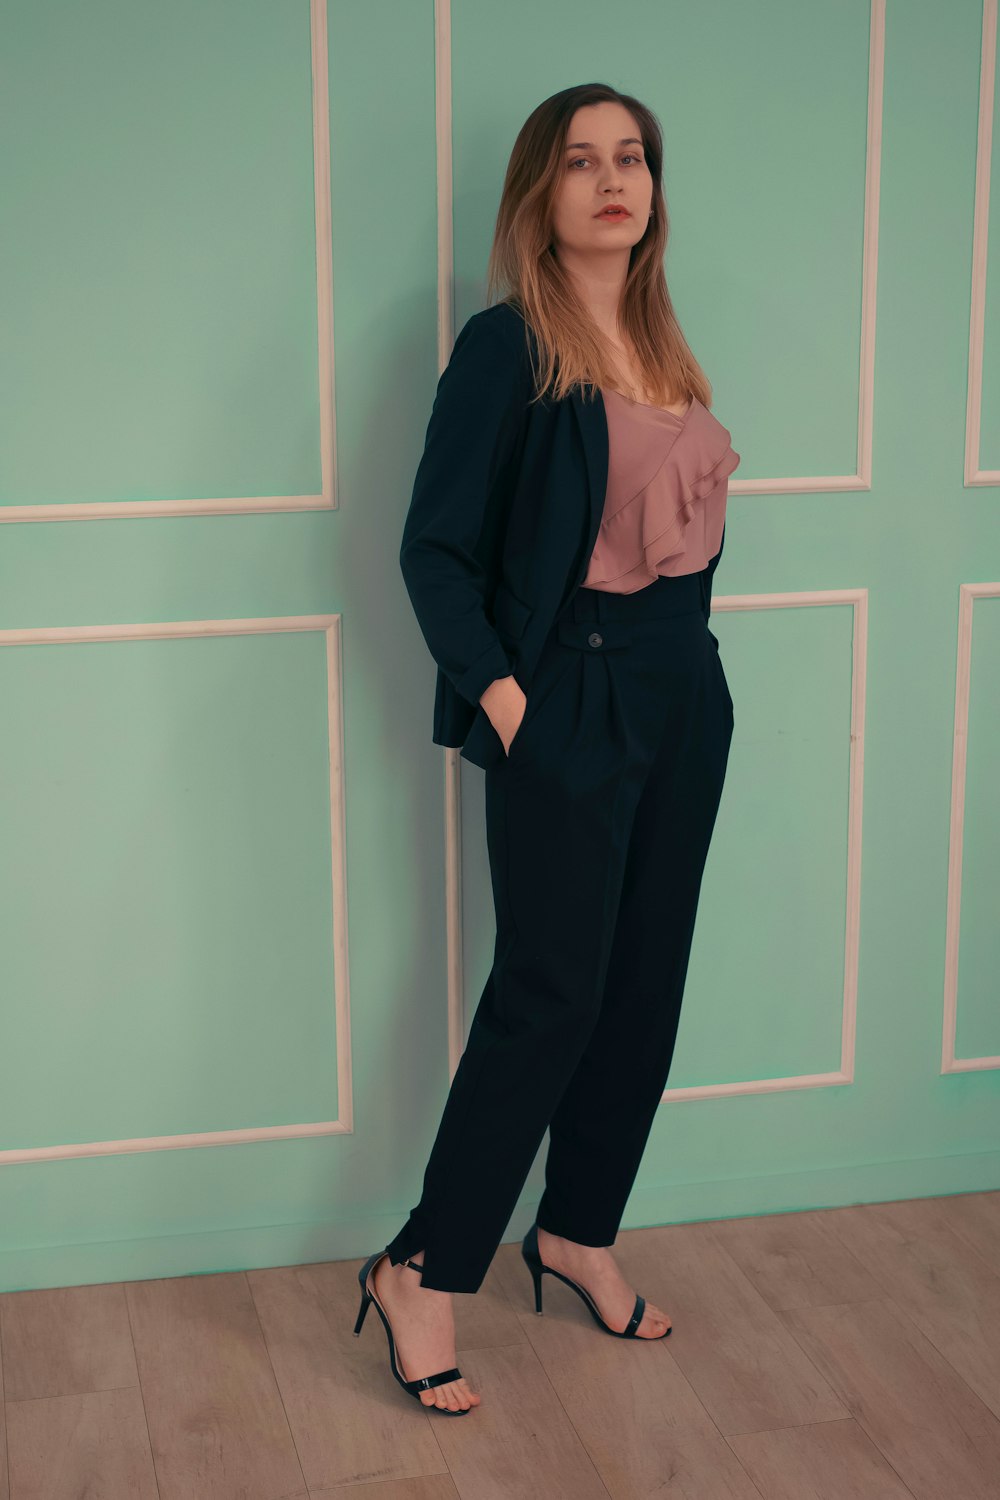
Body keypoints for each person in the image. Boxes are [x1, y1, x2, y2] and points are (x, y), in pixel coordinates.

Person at [353, 82, 739, 1416]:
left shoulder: (662, 344)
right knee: (550, 995)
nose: (610, 179)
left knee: (644, 981)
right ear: (541, 193)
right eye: (580, 161)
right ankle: (424, 1266)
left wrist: (691, 677)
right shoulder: (505, 347)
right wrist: (513, 704)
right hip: (570, 693)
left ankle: (577, 1229)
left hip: (684, 688)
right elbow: (436, 551)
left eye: (630, 157)